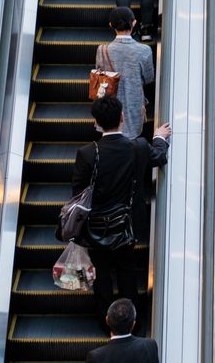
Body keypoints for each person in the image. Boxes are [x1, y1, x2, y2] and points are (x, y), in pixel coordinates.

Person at [72, 96, 170, 330]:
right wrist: (158, 138)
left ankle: (106, 320)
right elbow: (159, 156)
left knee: (101, 273)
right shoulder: (136, 147)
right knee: (127, 269)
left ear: (96, 122)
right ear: (122, 118)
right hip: (127, 223)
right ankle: (131, 320)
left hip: (94, 226)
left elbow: (78, 192)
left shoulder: (86, 154)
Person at [100, 7, 154, 139]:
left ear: (111, 25)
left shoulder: (102, 50)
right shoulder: (144, 50)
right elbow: (149, 78)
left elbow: (101, 77)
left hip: (109, 107)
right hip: (134, 106)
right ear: (134, 23)